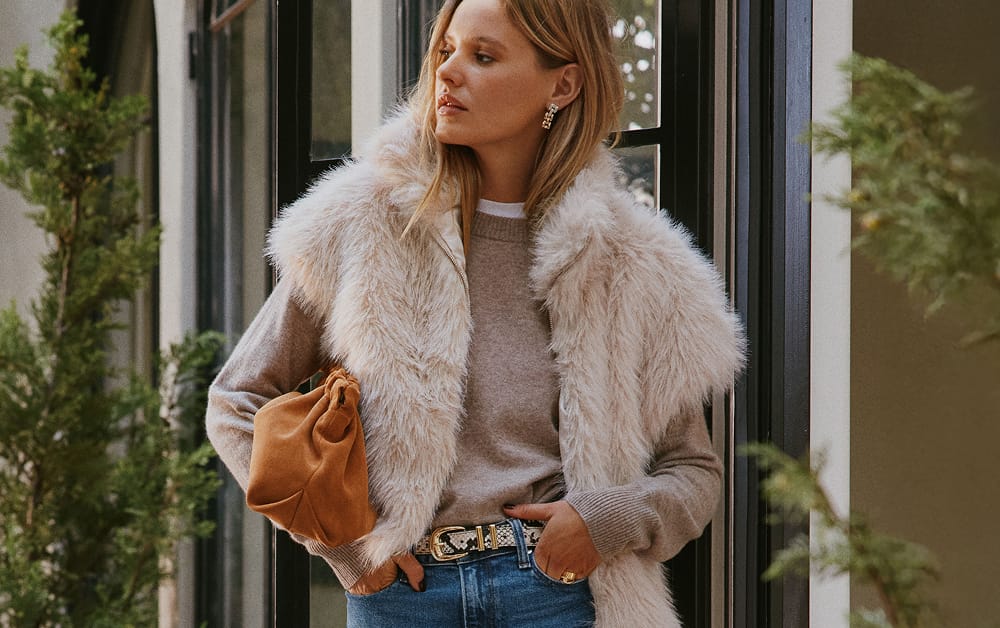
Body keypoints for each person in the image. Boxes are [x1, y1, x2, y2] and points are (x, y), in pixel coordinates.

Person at [206, 0, 744, 626]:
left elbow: (694, 473)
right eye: (446, 51)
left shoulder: (630, 263)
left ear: (563, 84)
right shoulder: (365, 225)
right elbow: (235, 402)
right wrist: (347, 549)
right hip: (401, 598)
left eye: (482, 56)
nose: (449, 72)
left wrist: (601, 523)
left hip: (560, 595)